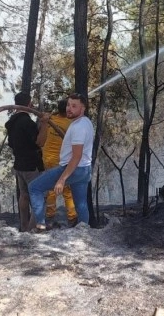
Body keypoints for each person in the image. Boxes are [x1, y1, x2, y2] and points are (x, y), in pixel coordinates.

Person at [29, 93, 94, 232]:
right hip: (84, 170)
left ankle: (40, 226)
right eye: (68, 105)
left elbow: (76, 156)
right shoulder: (85, 122)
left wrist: (62, 179)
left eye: (74, 106)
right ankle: (84, 232)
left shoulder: (78, 127)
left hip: (73, 169)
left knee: (34, 187)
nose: (69, 109)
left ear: (82, 109)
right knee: (81, 204)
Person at [4, 92, 47, 232]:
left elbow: (12, 143)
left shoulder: (12, 122)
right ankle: (33, 228)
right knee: (38, 196)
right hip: (31, 166)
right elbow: (40, 142)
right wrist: (45, 123)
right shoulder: (26, 122)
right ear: (29, 104)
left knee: (24, 195)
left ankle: (24, 226)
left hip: (19, 165)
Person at [38, 99, 77, 227]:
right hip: (61, 161)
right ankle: (72, 217)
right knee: (66, 189)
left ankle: (50, 216)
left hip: (47, 159)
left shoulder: (50, 120)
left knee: (51, 189)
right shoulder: (70, 124)